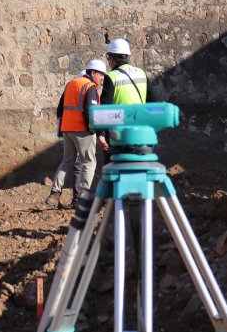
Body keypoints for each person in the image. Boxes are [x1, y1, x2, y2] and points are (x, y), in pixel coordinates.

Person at [46, 59, 108, 209]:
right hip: (82, 131)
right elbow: (90, 112)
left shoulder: (71, 84)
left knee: (67, 162)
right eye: (101, 75)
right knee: (89, 162)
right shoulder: (90, 87)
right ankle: (83, 198)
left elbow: (60, 109)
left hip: (67, 130)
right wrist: (93, 131)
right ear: (93, 73)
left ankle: (54, 194)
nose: (102, 79)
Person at [101, 38, 150, 105]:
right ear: (128, 57)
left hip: (121, 115)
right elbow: (152, 99)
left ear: (111, 58)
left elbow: (106, 106)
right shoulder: (141, 73)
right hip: (140, 115)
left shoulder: (111, 76)